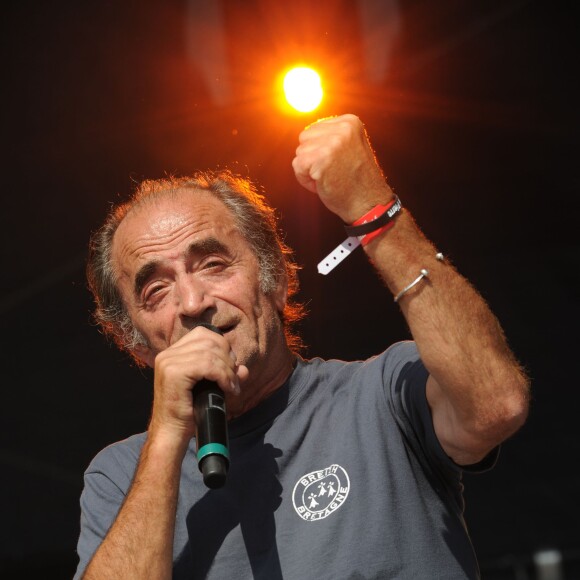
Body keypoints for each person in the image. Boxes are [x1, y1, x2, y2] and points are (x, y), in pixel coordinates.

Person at [75, 114, 529, 579]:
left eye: (212, 263)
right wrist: (171, 432)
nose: (193, 302)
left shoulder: (383, 394)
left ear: (276, 279)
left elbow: (497, 404)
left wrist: (372, 209)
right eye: (156, 291)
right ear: (133, 342)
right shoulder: (120, 475)